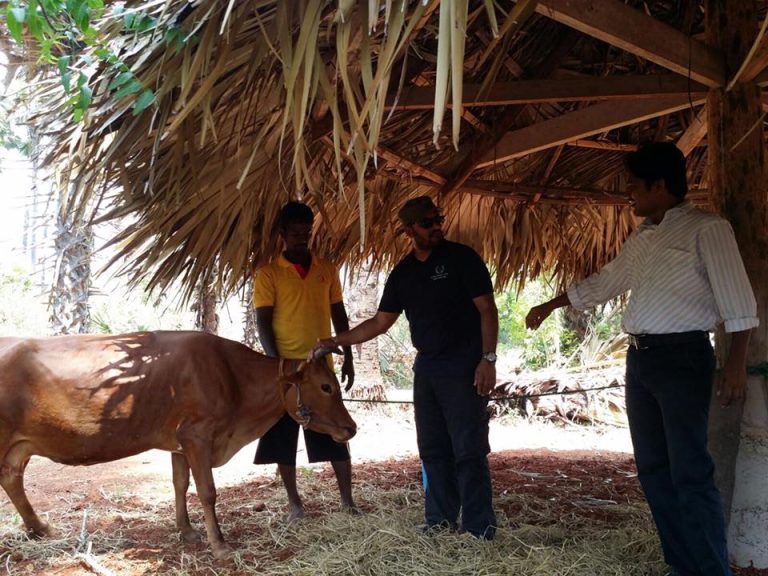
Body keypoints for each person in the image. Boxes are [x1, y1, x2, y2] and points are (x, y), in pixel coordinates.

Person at [525, 142, 758, 576]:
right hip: (642, 362)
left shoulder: (708, 229)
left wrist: (736, 364)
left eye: (634, 185)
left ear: (660, 184)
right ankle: (681, 565)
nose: (628, 194)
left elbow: (738, 302)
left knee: (690, 472)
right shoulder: (645, 235)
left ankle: (710, 570)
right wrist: (553, 304)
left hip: (684, 359)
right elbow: (607, 280)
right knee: (653, 470)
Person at [313, 195, 498, 539]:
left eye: (438, 219)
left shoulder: (462, 259)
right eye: (427, 223)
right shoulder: (403, 273)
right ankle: (440, 520)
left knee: (469, 449)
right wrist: (337, 341)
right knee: (431, 448)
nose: (436, 227)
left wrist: (488, 360)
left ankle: (478, 527)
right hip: (426, 367)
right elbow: (381, 322)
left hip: (464, 364)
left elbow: (487, 309)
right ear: (409, 230)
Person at [253, 201, 357, 520]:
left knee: (335, 429)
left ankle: (347, 501)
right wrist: (277, 368)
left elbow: (339, 315)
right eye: (296, 232)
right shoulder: (268, 274)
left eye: (307, 232)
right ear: (283, 234)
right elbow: (263, 322)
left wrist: (348, 355)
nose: (302, 237)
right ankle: (295, 504)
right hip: (286, 367)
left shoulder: (327, 269)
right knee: (284, 439)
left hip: (321, 364)